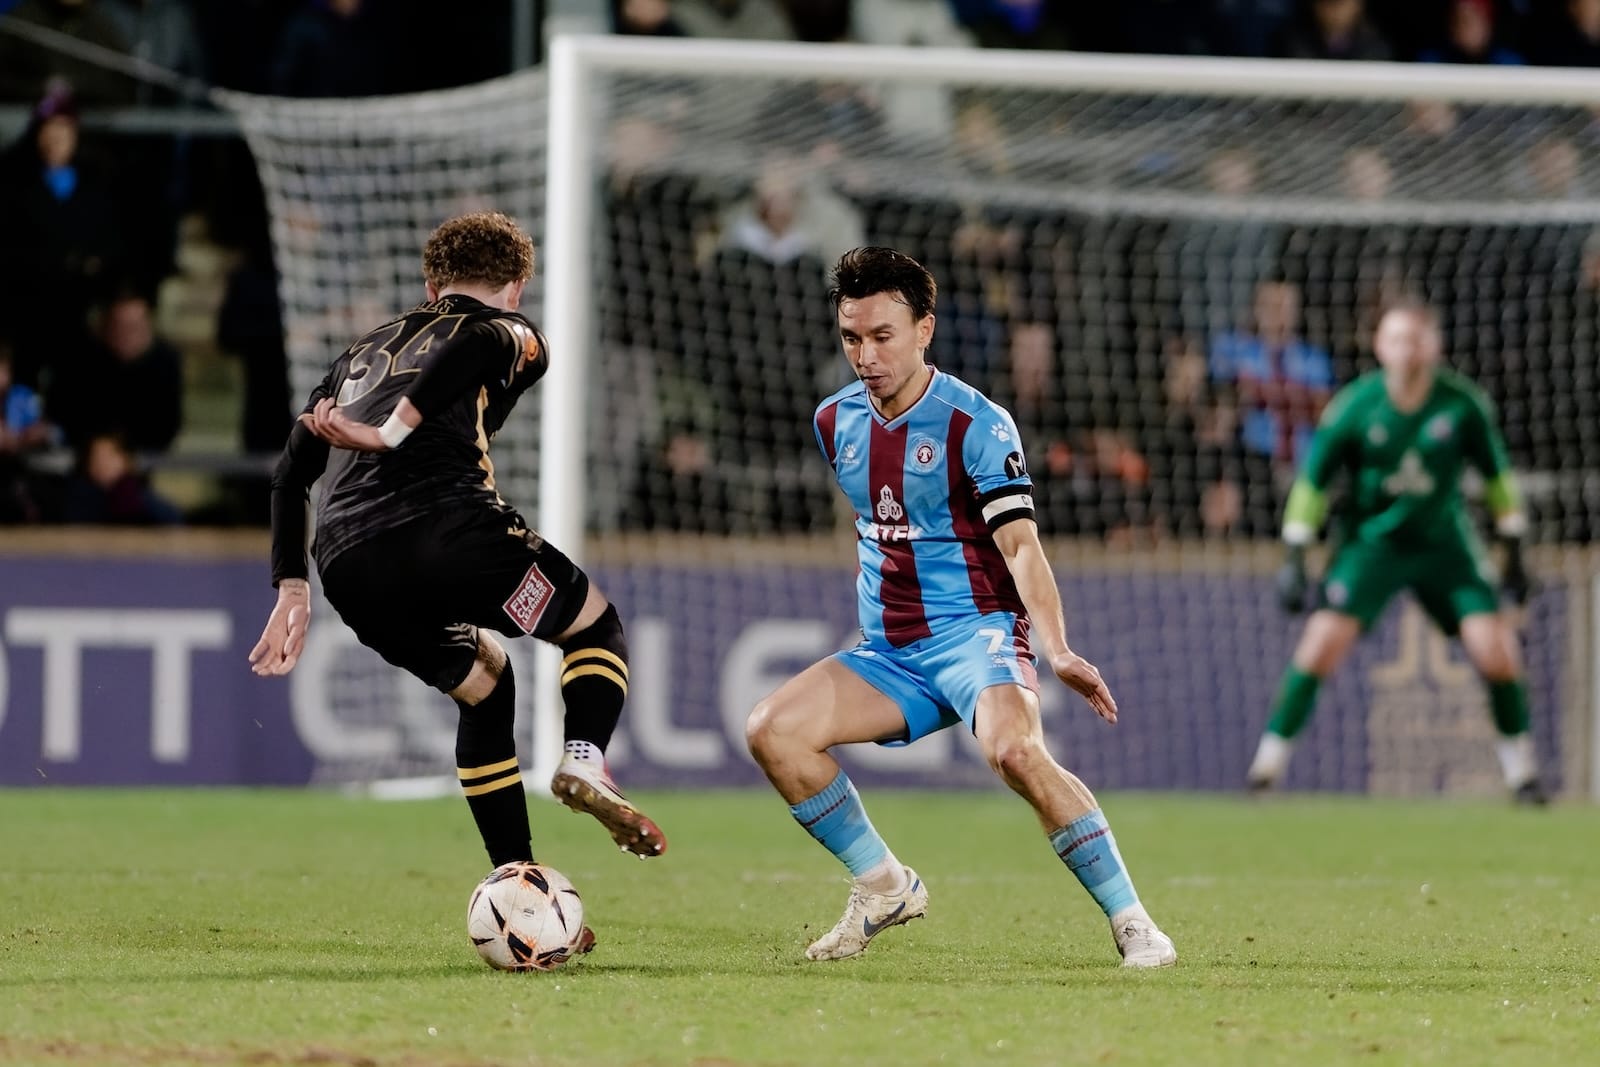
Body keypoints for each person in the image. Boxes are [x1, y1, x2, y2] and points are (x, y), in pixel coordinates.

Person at [744, 247, 1177, 968]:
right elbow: (874, 521)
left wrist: (1057, 648)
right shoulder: (833, 420)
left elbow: (1021, 546)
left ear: (925, 330)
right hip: (889, 651)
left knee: (1015, 751)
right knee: (772, 731)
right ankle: (884, 886)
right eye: (852, 337)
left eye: (882, 336)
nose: (866, 356)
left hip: (975, 633)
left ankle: (1134, 922)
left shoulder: (977, 423)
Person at [249, 212, 667, 898]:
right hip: (452, 533)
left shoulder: (361, 352)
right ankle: (585, 759)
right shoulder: (513, 331)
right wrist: (391, 432)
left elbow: (291, 473)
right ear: (518, 286)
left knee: (486, 685)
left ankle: (519, 884)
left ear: (430, 284)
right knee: (594, 626)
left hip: (348, 564)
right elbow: (479, 341)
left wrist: (291, 586)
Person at [1248, 300, 1546, 804]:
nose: (1407, 350)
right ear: (1380, 347)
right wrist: (1295, 553)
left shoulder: (1463, 404)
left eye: (1416, 339)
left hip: (1445, 544)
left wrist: (1514, 547)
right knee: (1319, 646)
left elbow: (1498, 480)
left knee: (1495, 650)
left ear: (1434, 346)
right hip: (1372, 544)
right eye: (1397, 339)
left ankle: (1523, 775)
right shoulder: (1354, 407)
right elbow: (1312, 484)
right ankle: (1266, 769)